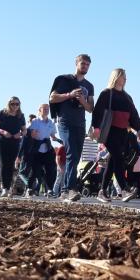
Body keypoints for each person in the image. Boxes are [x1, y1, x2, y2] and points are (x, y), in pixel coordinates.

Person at [91, 68, 140, 203]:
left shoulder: (127, 97)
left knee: (113, 160)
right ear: (116, 77)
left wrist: (139, 129)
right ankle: (124, 189)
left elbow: (134, 114)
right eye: (123, 76)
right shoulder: (106, 93)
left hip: (123, 133)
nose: (125, 79)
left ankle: (102, 191)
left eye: (125, 76)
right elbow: (97, 111)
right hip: (109, 131)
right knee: (118, 158)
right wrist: (96, 127)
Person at [49, 54, 94, 202]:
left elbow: (90, 108)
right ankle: (71, 189)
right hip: (65, 121)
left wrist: (82, 100)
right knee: (71, 154)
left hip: (80, 123)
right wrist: (70, 95)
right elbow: (52, 98)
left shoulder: (89, 86)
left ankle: (64, 190)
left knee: (74, 156)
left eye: (87, 64)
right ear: (76, 63)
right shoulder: (64, 79)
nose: (85, 66)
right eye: (83, 63)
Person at [0, 97, 27, 197]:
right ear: (9, 104)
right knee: (3, 163)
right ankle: (4, 188)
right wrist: (2, 131)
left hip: (14, 142)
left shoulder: (21, 116)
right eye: (13, 104)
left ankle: (9, 187)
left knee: (10, 165)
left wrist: (19, 134)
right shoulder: (2, 113)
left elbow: (25, 130)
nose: (15, 106)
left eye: (17, 104)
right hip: (1, 141)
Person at [24, 104, 60, 198]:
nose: (46, 110)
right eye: (44, 109)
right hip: (36, 149)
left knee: (50, 170)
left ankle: (49, 190)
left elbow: (52, 136)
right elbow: (27, 133)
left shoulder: (51, 123)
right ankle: (29, 188)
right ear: (39, 110)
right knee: (36, 170)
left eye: (47, 109)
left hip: (47, 148)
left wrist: (61, 141)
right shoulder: (35, 121)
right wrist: (32, 134)